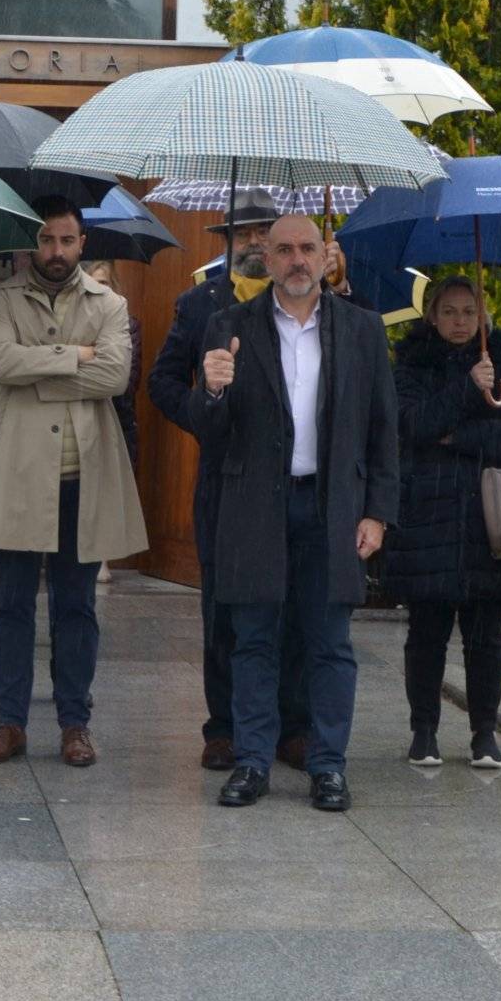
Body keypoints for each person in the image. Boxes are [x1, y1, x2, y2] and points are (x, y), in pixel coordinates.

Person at [183, 215, 398, 813]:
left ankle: (328, 766)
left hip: (332, 507)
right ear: (267, 259)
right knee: (252, 640)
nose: (297, 260)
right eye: (284, 250)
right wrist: (213, 389)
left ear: (325, 258)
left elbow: (383, 431)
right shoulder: (228, 326)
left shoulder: (360, 330)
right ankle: (252, 762)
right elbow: (209, 428)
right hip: (255, 506)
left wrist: (377, 513)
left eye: (307, 248)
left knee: (330, 642)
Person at [0, 197, 148, 768]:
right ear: (33, 243)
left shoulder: (111, 303)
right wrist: (74, 354)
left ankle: (75, 723)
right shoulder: (1, 297)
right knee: (12, 603)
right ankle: (11, 723)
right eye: (47, 240)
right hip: (19, 473)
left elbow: (116, 375)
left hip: (83, 473)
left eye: (67, 241)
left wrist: (39, 370)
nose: (56, 251)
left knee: (77, 607)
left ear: (82, 244)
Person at [148, 199, 313, 771]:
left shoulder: (313, 305)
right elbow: (162, 380)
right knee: (224, 606)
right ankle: (223, 726)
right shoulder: (201, 305)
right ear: (231, 238)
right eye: (245, 231)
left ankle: (293, 726)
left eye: (265, 231)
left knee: (293, 603)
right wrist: (203, 411)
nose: (254, 240)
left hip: (292, 480)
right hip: (225, 480)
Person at [386, 275, 501, 767]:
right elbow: (409, 425)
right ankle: (423, 730)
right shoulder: (410, 362)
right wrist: (465, 390)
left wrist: (457, 437)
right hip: (426, 515)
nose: (458, 321)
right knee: (426, 632)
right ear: (432, 316)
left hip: (489, 518)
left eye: (467, 313)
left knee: (486, 635)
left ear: (483, 317)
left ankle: (484, 734)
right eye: (448, 312)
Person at [83, 258, 143, 588]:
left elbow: (125, 379)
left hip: (117, 421)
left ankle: (102, 557)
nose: (98, 289)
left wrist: (85, 357)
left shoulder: (129, 325)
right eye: (93, 283)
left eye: (104, 283)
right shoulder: (73, 324)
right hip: (78, 416)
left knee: (106, 493)